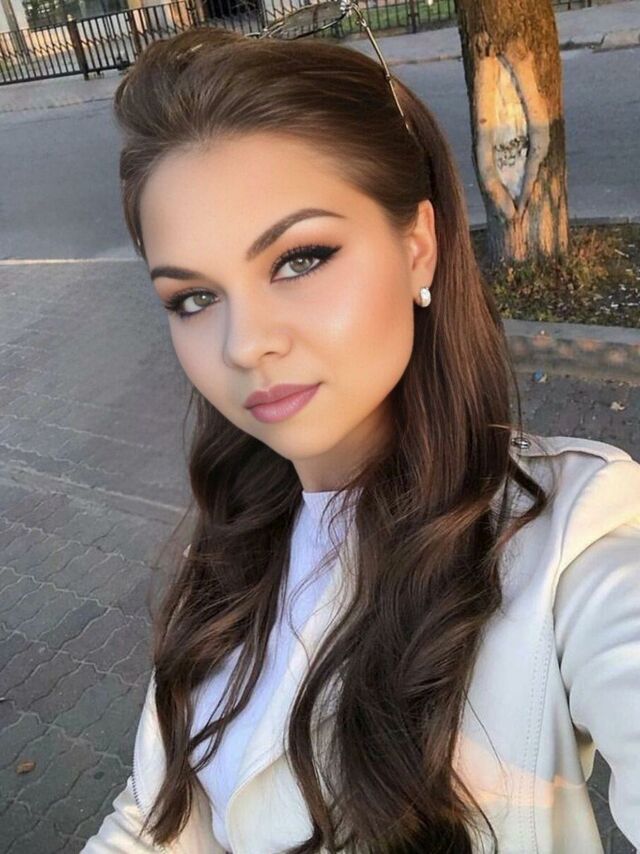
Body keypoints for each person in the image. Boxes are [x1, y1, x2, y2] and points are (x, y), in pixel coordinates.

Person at [82, 23, 640, 854]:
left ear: (418, 248)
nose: (245, 345)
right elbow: (155, 814)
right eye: (193, 298)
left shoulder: (571, 538)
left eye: (300, 259)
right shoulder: (233, 541)